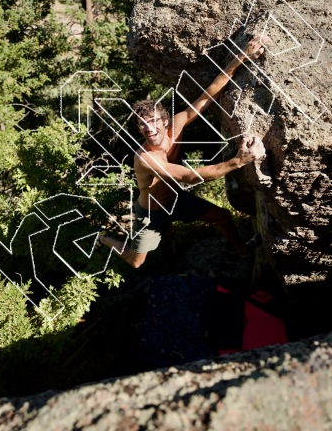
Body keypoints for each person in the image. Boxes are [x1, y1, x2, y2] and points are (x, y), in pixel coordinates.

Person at [100, 35, 268, 268]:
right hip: (152, 214)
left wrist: (242, 56)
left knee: (223, 217)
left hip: (177, 200)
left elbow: (208, 95)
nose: (149, 128)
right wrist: (239, 161)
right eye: (142, 124)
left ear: (165, 120)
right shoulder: (146, 158)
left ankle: (243, 251)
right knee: (136, 261)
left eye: (154, 121)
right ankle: (105, 239)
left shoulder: (177, 125)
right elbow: (189, 176)